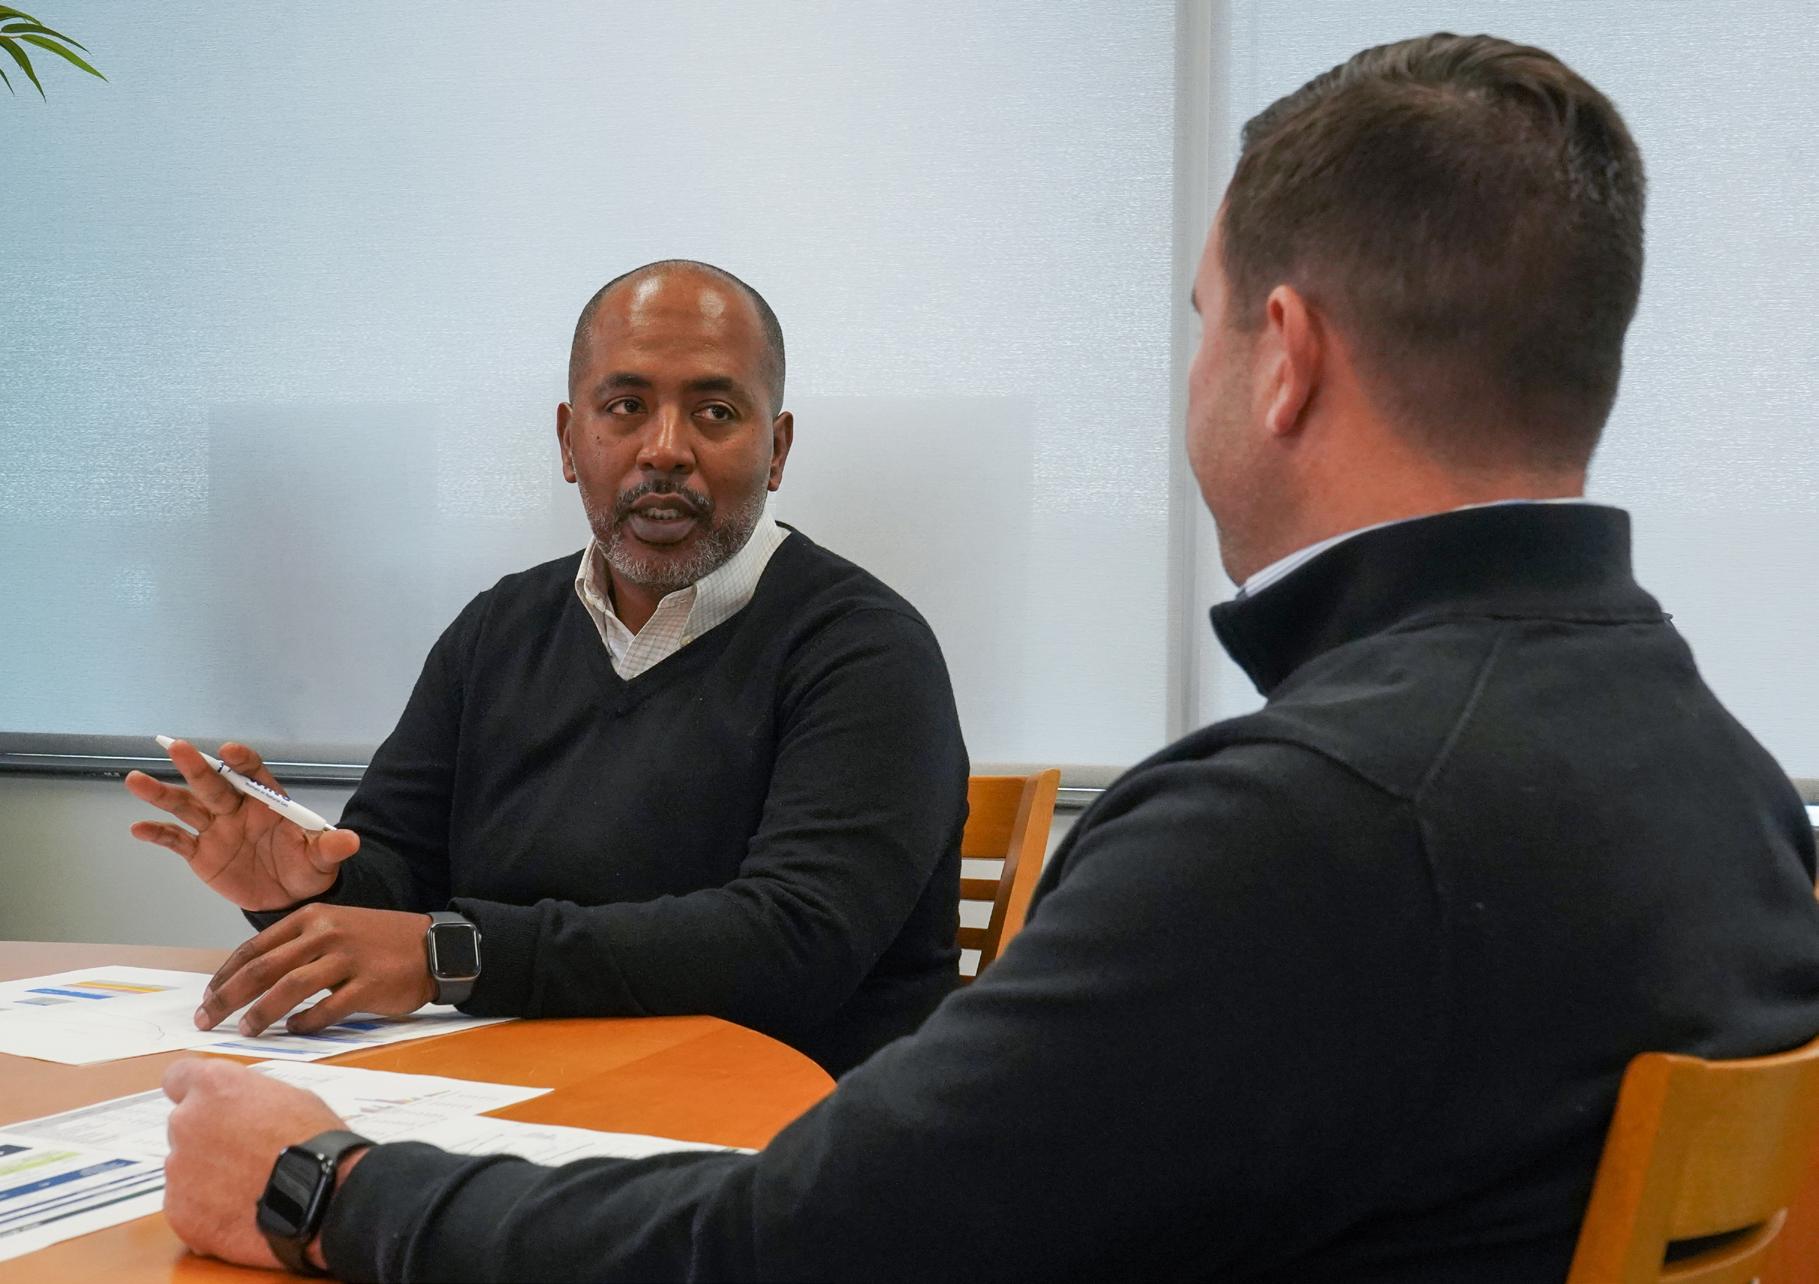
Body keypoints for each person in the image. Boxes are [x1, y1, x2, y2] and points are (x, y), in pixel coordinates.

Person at [159, 35, 1819, 1282]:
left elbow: (794, 1245)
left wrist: (327, 1188)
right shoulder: (1722, 783)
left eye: (1198, 319)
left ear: (1283, 360)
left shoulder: (1299, 826)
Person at [125, 260, 969, 1078]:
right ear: (570, 441)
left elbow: (793, 944)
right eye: (626, 407)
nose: (665, 449)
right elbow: (398, 877)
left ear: (775, 451)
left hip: (780, 1125)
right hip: (508, 1090)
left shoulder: (866, 650)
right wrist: (307, 884)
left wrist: (455, 954)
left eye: (715, 412)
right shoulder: (498, 628)